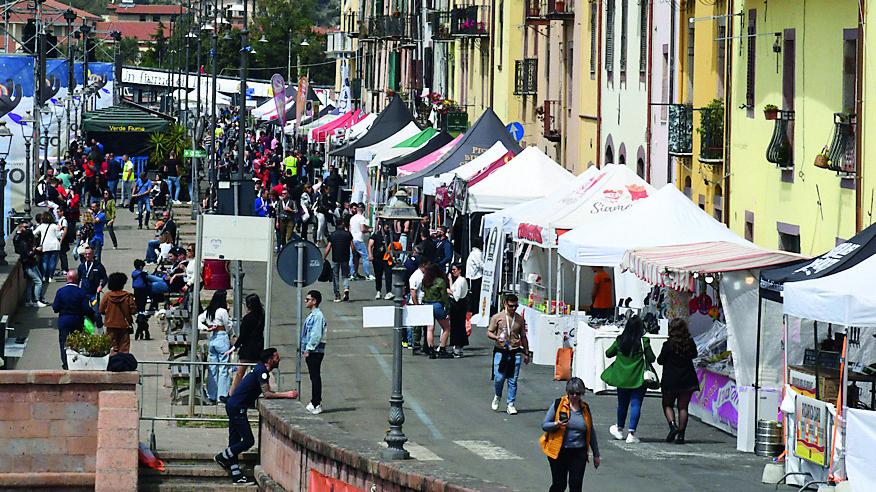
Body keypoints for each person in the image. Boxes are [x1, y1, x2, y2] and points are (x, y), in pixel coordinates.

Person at [214, 348, 298, 485]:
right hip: (237, 407)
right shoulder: (262, 372)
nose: (279, 359)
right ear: (270, 360)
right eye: (276, 357)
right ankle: (222, 456)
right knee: (248, 441)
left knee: (234, 440)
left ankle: (236, 475)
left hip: (233, 405)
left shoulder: (259, 369)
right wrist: (287, 394)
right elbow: (267, 394)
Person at [600, 315, 655, 443]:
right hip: (638, 379)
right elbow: (652, 358)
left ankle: (619, 429)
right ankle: (631, 433)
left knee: (622, 404)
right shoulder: (643, 342)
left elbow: (608, 353)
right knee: (636, 405)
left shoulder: (620, 340)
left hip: (622, 378)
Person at [541, 377, 601, 492]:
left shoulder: (585, 408)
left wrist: (596, 454)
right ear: (567, 392)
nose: (574, 396)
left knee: (576, 486)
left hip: (578, 452)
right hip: (559, 451)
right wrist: (556, 424)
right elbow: (545, 425)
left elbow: (590, 431)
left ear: (582, 393)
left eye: (577, 393)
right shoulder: (558, 404)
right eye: (571, 393)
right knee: (559, 485)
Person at [487, 293, 531, 415]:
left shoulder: (520, 319)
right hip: (501, 351)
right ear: (505, 304)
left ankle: (510, 403)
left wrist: (526, 352)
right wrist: (497, 337)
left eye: (515, 306)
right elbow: (489, 332)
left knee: (513, 379)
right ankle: (498, 395)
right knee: (499, 378)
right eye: (511, 306)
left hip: (515, 351)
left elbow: (523, 336)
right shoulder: (497, 317)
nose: (513, 308)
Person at [658, 318, 699, 444]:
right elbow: (694, 355)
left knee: (667, 404)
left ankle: (672, 425)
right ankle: (681, 435)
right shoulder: (690, 343)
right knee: (683, 407)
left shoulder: (668, 345)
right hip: (687, 379)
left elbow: (660, 360)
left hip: (670, 380)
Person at [52, 270, 95, 369]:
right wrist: (92, 318)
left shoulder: (60, 292)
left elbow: (55, 308)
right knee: (78, 342)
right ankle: (76, 362)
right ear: (77, 280)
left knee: (64, 343)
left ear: (67, 279)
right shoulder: (82, 292)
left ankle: (66, 363)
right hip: (77, 320)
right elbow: (86, 309)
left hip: (64, 321)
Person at [226, 294, 265, 396]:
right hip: (258, 347)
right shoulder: (262, 315)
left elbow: (243, 336)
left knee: (239, 373)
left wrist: (234, 347)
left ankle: (231, 394)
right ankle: (252, 394)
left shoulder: (248, 318)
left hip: (247, 349)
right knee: (256, 373)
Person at [199, 290, 233, 404]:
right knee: (223, 368)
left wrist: (205, 328)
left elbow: (199, 319)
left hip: (212, 338)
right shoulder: (222, 311)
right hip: (222, 337)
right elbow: (228, 325)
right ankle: (222, 395)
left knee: (212, 368)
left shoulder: (209, 310)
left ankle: (212, 394)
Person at [301, 290, 327, 415]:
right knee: (313, 376)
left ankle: (316, 402)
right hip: (313, 350)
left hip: (315, 351)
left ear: (314, 301)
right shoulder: (313, 315)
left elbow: (316, 334)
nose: (306, 301)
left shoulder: (317, 316)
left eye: (308, 299)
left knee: (315, 376)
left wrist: (309, 348)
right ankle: (314, 401)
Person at [99, 272, 136, 353]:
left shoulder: (107, 296)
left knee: (112, 349)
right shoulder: (128, 296)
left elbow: (101, 310)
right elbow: (133, 311)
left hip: (110, 325)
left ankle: (113, 363)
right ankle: (123, 364)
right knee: (124, 349)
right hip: (124, 326)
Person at [421, 263, 452, 359]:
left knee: (430, 329)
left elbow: (422, 290)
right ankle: (442, 348)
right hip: (437, 305)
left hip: (426, 304)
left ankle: (431, 350)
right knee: (446, 327)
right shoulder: (440, 281)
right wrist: (447, 308)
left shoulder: (425, 281)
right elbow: (444, 296)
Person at [14, 220, 47, 307]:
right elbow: (26, 254)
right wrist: (35, 250)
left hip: (31, 263)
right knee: (38, 282)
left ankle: (29, 301)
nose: (27, 229)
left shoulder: (24, 238)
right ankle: (36, 301)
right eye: (25, 227)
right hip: (29, 264)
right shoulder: (22, 241)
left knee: (30, 282)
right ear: (20, 227)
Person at [323, 219, 355, 302]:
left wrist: (324, 257)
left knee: (335, 276)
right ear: (343, 224)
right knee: (345, 275)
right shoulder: (348, 234)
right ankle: (346, 289)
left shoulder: (333, 235)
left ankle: (337, 295)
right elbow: (352, 247)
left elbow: (328, 248)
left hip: (335, 258)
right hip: (345, 258)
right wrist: (354, 255)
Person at [33, 212, 63, 286]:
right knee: (52, 262)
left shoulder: (41, 226)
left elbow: (34, 233)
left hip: (45, 246)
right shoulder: (54, 226)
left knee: (45, 261)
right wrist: (61, 230)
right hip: (55, 245)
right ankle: (50, 277)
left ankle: (43, 276)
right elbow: (58, 236)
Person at [368, 220, 395, 300]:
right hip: (377, 258)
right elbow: (370, 245)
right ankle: (378, 291)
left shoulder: (391, 235)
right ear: (383, 226)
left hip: (387, 258)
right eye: (387, 227)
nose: (388, 228)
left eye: (390, 227)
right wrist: (370, 254)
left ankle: (388, 292)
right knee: (378, 275)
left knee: (388, 275)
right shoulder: (376, 235)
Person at [448, 263, 469, 358]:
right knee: (459, 327)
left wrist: (449, 292)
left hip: (457, 306)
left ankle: (457, 349)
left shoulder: (461, 281)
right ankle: (459, 349)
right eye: (452, 270)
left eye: (454, 270)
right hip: (461, 305)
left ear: (460, 270)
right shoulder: (460, 280)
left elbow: (456, 296)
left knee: (457, 327)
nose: (453, 272)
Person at [348, 204, 374, 280]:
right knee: (365, 257)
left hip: (352, 239)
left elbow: (350, 229)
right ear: (363, 210)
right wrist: (369, 230)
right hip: (359, 239)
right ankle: (367, 274)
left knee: (351, 257)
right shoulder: (362, 218)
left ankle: (352, 274)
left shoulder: (352, 218)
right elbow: (362, 229)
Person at [465, 237, 484, 320]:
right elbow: (480, 264)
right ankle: (475, 311)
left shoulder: (473, 252)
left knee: (474, 295)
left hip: (473, 276)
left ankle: (474, 310)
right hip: (476, 276)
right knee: (476, 295)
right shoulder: (477, 253)